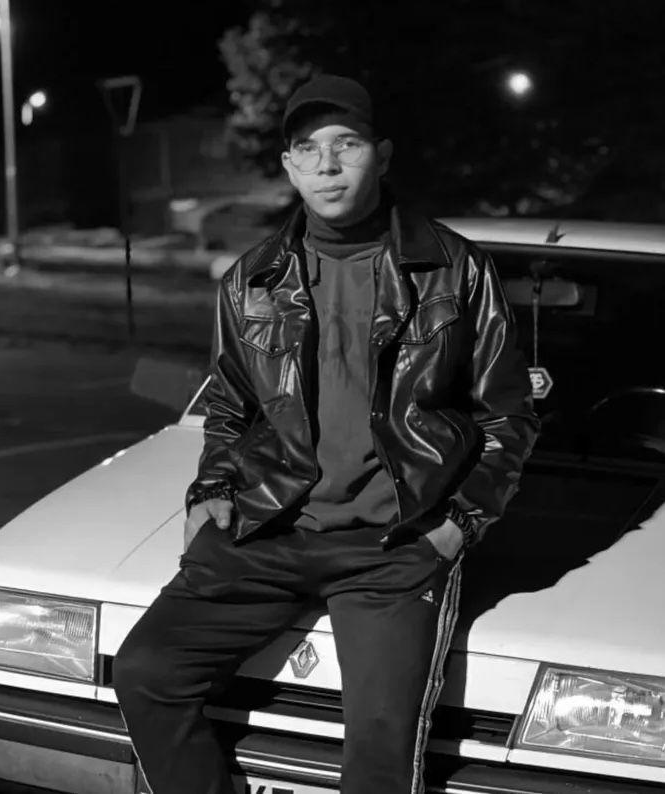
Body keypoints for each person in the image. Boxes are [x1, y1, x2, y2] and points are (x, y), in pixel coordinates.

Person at [114, 74, 539, 794]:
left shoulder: (455, 268)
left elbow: (507, 415)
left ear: (382, 154)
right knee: (145, 671)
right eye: (308, 149)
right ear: (288, 166)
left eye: (346, 144)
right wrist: (210, 489)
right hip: (270, 528)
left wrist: (460, 523)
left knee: (378, 758)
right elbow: (230, 405)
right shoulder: (250, 279)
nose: (328, 164)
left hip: (393, 548)